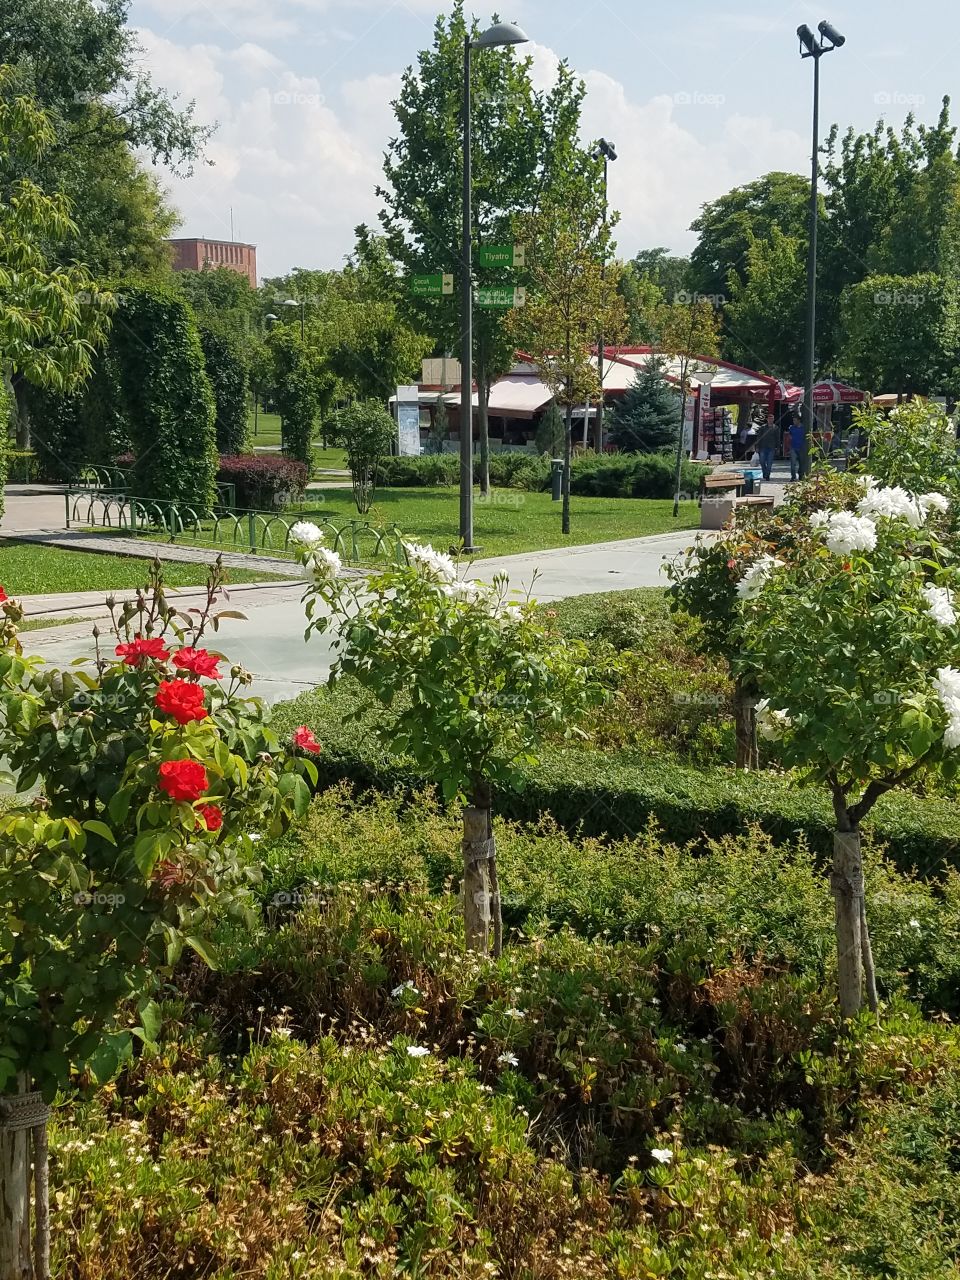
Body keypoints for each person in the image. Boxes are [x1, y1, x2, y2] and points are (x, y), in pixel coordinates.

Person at [756, 414, 779, 482]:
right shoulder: (762, 427)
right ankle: (765, 473)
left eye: (772, 418)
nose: (770, 420)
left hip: (771, 448)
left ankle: (767, 476)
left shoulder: (776, 428)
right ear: (767, 419)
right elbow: (759, 437)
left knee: (769, 463)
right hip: (763, 447)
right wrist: (757, 446)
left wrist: (777, 447)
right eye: (769, 418)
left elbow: (777, 438)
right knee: (762, 462)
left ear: (773, 419)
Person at [788, 416, 807, 481]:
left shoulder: (804, 428)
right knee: (793, 463)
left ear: (799, 420)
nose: (794, 422)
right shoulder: (792, 428)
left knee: (801, 463)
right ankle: (793, 476)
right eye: (793, 420)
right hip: (793, 447)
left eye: (795, 420)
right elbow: (789, 435)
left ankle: (800, 475)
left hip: (801, 448)